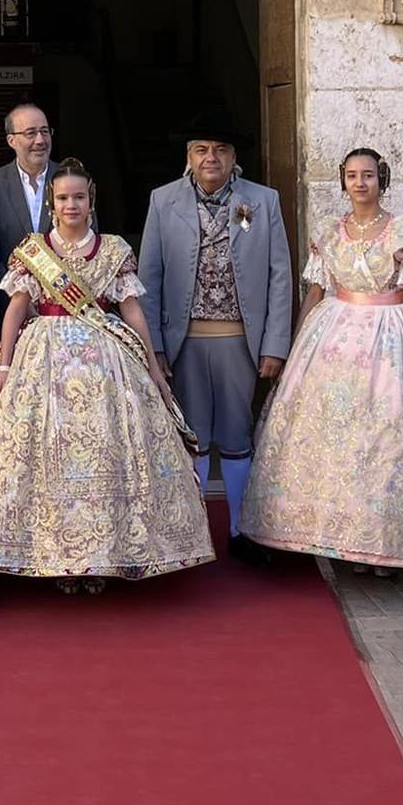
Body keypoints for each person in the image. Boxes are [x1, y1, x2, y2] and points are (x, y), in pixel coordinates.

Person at [0, 159, 212, 591]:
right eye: (62, 199)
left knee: (110, 449)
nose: (71, 205)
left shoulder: (112, 249)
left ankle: (107, 556)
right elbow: (17, 307)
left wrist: (150, 363)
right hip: (42, 360)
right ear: (52, 205)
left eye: (78, 197)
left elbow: (131, 308)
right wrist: (5, 363)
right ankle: (53, 556)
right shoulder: (34, 249)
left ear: (91, 201)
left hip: (107, 364)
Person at [241, 148, 403, 575]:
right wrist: (298, 346)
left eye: (368, 175)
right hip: (335, 338)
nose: (360, 183)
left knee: (388, 438)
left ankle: (387, 545)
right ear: (343, 180)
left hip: (392, 338)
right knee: (341, 444)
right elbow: (315, 292)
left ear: (381, 179)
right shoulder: (331, 234)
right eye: (352, 175)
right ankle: (347, 543)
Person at [136, 111, 293, 561]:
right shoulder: (163, 201)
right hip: (183, 342)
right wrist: (156, 349)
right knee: (194, 436)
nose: (212, 158)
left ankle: (242, 530)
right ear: (189, 157)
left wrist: (274, 345)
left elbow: (279, 275)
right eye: (202, 150)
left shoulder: (260, 201)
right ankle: (196, 532)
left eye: (221, 150)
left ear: (234, 157)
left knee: (236, 432)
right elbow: (149, 277)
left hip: (241, 340)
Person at [0, 103, 58, 348]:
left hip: (64, 314)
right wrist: (19, 297)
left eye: (45, 131)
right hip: (6, 311)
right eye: (30, 133)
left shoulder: (70, 178)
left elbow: (87, 240)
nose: (41, 140)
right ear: (11, 140)